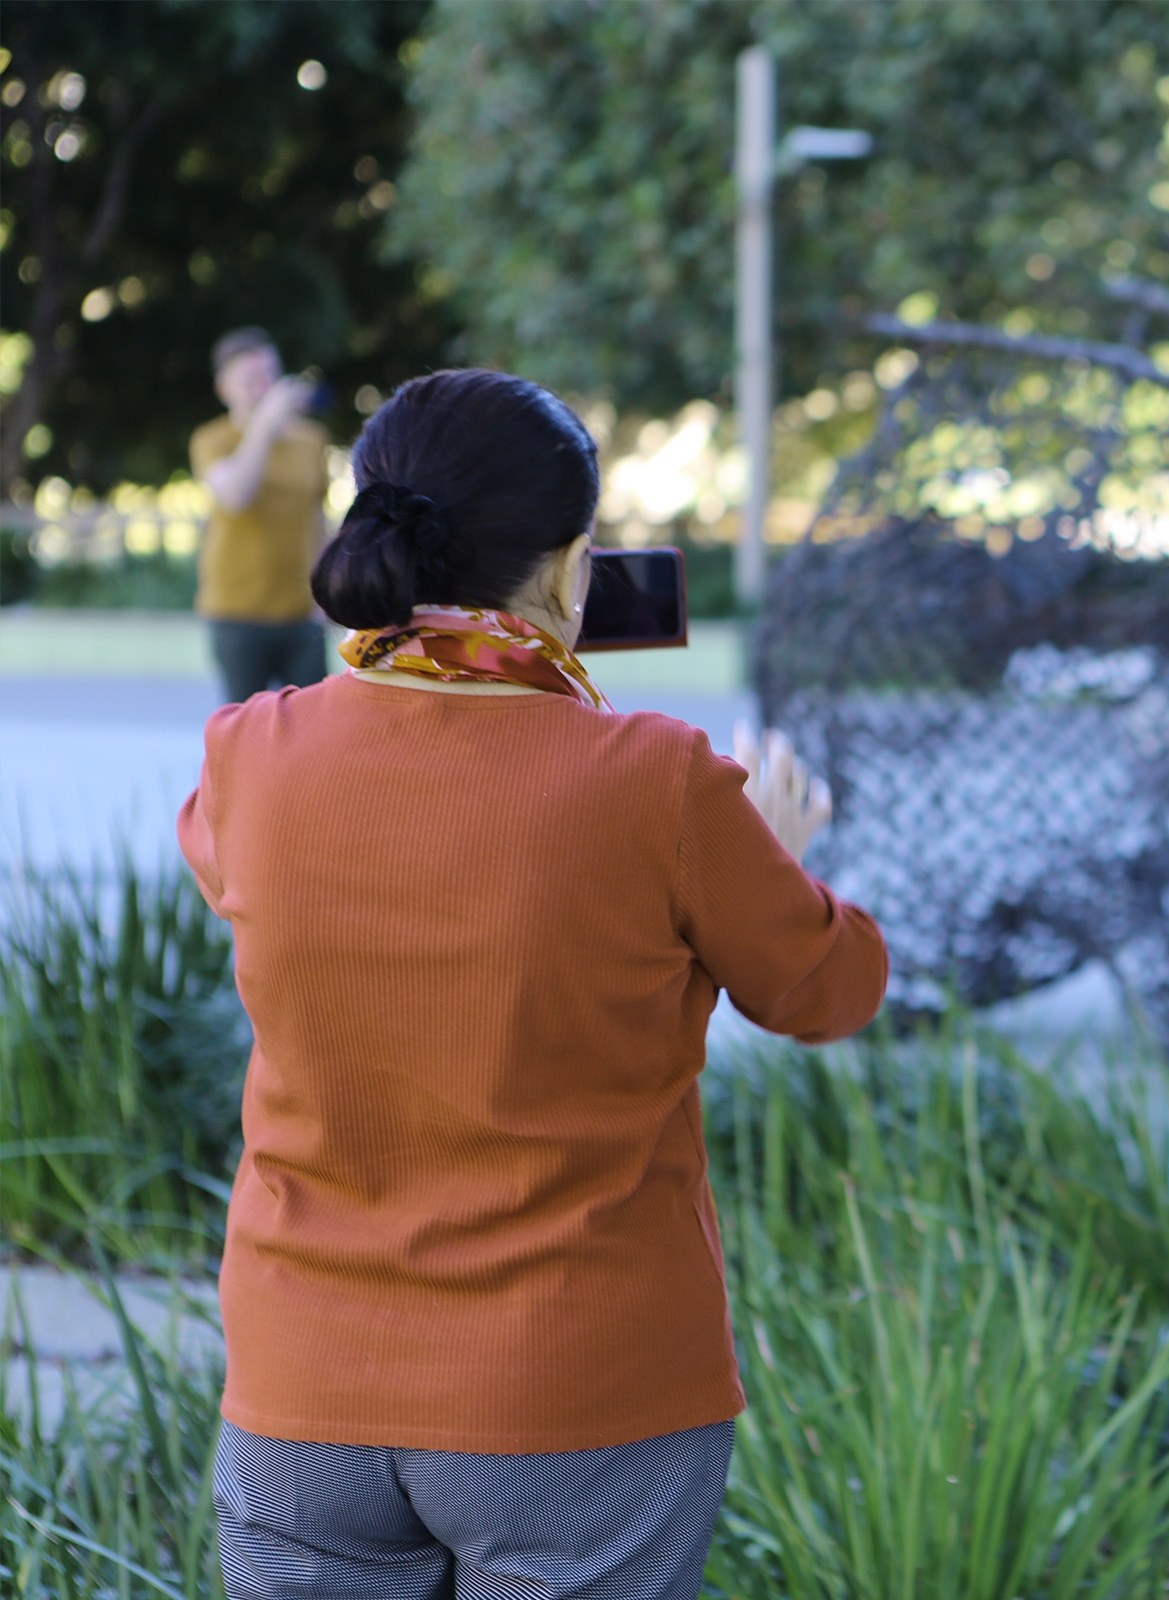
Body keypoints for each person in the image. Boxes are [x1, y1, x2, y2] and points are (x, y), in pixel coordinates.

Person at [178, 368, 888, 1599]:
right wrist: (763, 857)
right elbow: (831, 989)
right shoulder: (657, 784)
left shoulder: (251, 752)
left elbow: (247, 859)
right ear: (572, 572)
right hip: (576, 1397)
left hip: (302, 1393)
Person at [191, 328, 333, 702]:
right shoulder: (211, 439)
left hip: (301, 615)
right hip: (236, 613)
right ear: (225, 388)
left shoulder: (311, 439)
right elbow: (235, 495)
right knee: (243, 726)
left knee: (312, 724)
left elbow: (318, 519)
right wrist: (263, 427)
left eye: (270, 375)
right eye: (251, 379)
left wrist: (328, 590)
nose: (264, 387)